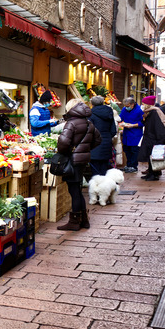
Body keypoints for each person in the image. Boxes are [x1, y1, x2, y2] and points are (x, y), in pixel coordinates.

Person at [56, 98, 101, 231]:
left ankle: (74, 222)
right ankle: (84, 220)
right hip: (83, 160)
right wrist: (84, 149)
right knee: (78, 189)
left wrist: (68, 151)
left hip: (72, 160)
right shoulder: (88, 123)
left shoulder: (71, 123)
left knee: (74, 190)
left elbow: (63, 142)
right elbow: (98, 139)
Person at [138, 95, 165, 181]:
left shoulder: (155, 113)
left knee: (154, 157)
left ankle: (154, 175)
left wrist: (160, 141)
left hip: (154, 139)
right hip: (150, 137)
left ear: (148, 104)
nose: (142, 105)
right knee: (150, 156)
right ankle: (151, 173)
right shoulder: (150, 112)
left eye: (143, 103)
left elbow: (159, 128)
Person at [88, 96, 116, 177]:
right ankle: (104, 186)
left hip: (94, 144)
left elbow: (90, 130)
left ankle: (96, 187)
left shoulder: (91, 114)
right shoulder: (109, 112)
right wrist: (107, 136)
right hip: (106, 142)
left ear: (92, 104)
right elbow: (113, 130)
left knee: (95, 169)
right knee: (104, 168)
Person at [119, 97, 144, 173]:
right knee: (126, 149)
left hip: (135, 133)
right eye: (125, 106)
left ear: (133, 104)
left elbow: (142, 122)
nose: (126, 107)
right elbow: (121, 118)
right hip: (126, 132)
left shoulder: (139, 110)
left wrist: (133, 125)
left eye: (128, 106)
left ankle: (134, 166)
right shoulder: (124, 109)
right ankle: (128, 165)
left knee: (134, 150)